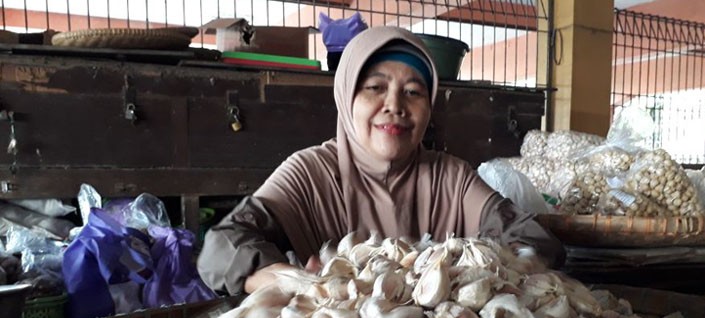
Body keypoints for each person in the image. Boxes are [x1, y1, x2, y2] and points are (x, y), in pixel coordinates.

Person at [198, 26, 565, 295]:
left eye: (413, 92)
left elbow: (532, 239)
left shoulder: (450, 177)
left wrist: (485, 273)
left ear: (429, 106)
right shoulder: (309, 173)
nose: (395, 106)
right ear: (346, 97)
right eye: (375, 87)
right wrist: (291, 281)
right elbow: (222, 246)